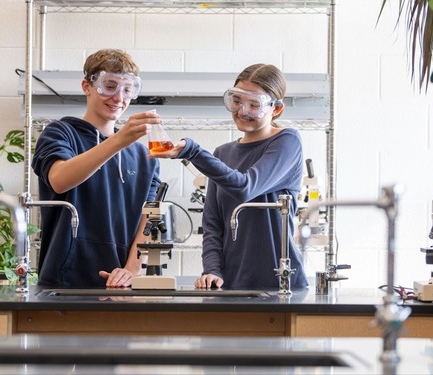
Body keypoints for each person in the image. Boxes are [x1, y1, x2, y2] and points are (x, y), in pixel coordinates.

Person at [149, 63, 309, 290]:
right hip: (231, 285)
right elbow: (213, 225)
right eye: (237, 101)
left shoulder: (287, 141)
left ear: (276, 109)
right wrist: (212, 270)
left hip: (279, 284)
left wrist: (192, 151)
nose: (243, 111)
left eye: (254, 105)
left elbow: (245, 187)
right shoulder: (223, 154)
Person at [31, 49, 162, 288]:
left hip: (121, 283)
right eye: (109, 86)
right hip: (65, 282)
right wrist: (118, 140)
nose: (118, 97)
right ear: (87, 86)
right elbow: (59, 179)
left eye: (127, 89)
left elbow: (150, 217)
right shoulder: (60, 133)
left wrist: (131, 270)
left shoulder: (145, 158)